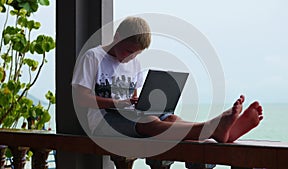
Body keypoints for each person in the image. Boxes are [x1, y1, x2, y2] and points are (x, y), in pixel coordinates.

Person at [72, 15, 263, 149]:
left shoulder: (134, 63)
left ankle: (220, 133)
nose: (130, 57)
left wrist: (139, 102)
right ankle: (212, 129)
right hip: (102, 122)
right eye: (128, 51)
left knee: (171, 118)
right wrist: (116, 103)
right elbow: (80, 98)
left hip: (129, 115)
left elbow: (132, 96)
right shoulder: (93, 57)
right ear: (117, 37)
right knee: (150, 122)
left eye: (136, 54)